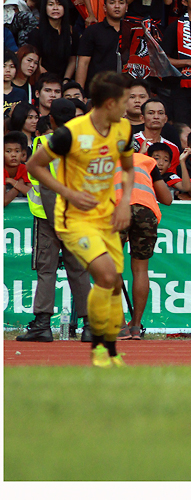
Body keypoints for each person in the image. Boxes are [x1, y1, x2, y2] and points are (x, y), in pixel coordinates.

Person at [25, 73, 134, 367]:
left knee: (112, 281)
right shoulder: (71, 134)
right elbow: (34, 166)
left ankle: (103, 341)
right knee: (106, 275)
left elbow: (127, 168)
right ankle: (100, 345)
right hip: (72, 218)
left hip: (105, 216)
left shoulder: (123, 129)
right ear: (109, 103)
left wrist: (124, 202)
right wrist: (68, 192)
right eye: (125, 101)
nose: (129, 106)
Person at [14, 100, 93, 342]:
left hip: (49, 218)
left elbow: (46, 188)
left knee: (46, 270)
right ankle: (91, 326)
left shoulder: (43, 143)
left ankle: (42, 324)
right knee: (79, 270)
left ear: (51, 119)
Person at [113, 148, 171, 340]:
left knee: (111, 268)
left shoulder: (105, 160)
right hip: (146, 212)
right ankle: (136, 326)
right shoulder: (147, 162)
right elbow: (167, 199)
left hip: (117, 210)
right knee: (140, 270)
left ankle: (120, 326)